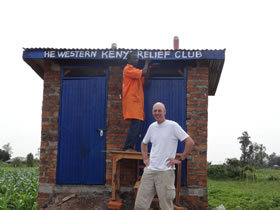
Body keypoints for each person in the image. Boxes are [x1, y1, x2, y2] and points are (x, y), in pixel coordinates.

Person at [134, 102, 195, 210]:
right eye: (155, 111)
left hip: (166, 172)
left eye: (159, 110)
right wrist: (145, 159)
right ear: (152, 112)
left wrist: (180, 159)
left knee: (166, 206)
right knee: (140, 205)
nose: (157, 113)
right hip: (150, 171)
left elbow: (190, 142)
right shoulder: (152, 127)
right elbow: (144, 143)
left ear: (164, 112)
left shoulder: (173, 126)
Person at [122, 52, 151, 152]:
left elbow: (144, 79)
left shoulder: (135, 72)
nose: (137, 60)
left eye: (137, 58)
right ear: (128, 60)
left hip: (137, 103)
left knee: (137, 126)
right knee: (136, 125)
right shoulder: (128, 69)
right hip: (132, 102)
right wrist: (147, 62)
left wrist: (149, 68)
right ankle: (127, 147)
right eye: (134, 58)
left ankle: (130, 147)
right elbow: (143, 72)